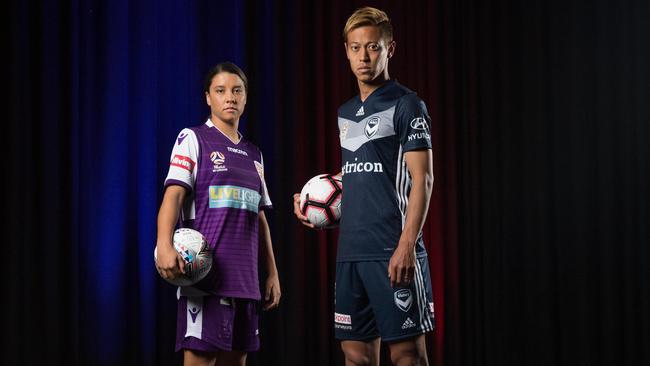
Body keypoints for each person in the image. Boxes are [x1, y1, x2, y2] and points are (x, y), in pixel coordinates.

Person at [293, 7, 435, 366]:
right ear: (345, 50)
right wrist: (313, 197)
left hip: (393, 250)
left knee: (407, 355)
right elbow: (365, 172)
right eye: (355, 48)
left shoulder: (407, 104)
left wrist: (406, 245)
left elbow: (423, 178)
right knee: (355, 356)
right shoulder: (345, 112)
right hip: (351, 254)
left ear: (390, 48)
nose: (364, 56)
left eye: (373, 47)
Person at [156, 62, 281, 366]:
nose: (230, 97)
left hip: (245, 282)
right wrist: (164, 246)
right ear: (208, 98)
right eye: (221, 91)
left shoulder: (255, 154)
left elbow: (259, 218)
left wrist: (272, 272)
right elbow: (173, 196)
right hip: (205, 280)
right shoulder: (193, 139)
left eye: (237, 90)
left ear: (246, 98)